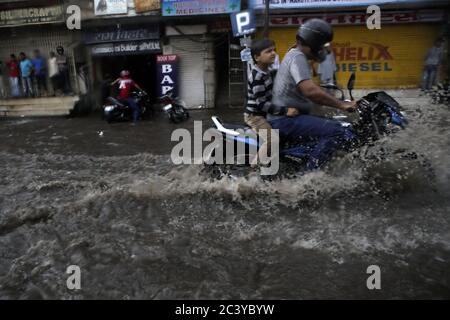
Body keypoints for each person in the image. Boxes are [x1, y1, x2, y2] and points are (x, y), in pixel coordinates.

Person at [268, 18, 357, 171]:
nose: (324, 50)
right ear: (314, 45)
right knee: (338, 131)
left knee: (329, 123)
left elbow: (308, 90)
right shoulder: (297, 57)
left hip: (290, 117)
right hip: (285, 120)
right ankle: (311, 177)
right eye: (322, 46)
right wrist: (342, 104)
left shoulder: (295, 55)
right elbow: (310, 90)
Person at [245, 38, 297, 168]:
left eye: (274, 50)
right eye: (268, 51)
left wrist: (291, 53)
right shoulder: (257, 76)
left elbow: (282, 73)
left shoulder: (267, 70)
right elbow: (262, 104)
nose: (273, 53)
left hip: (264, 114)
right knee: (272, 139)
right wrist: (285, 111)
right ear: (257, 57)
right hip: (256, 117)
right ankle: (254, 168)